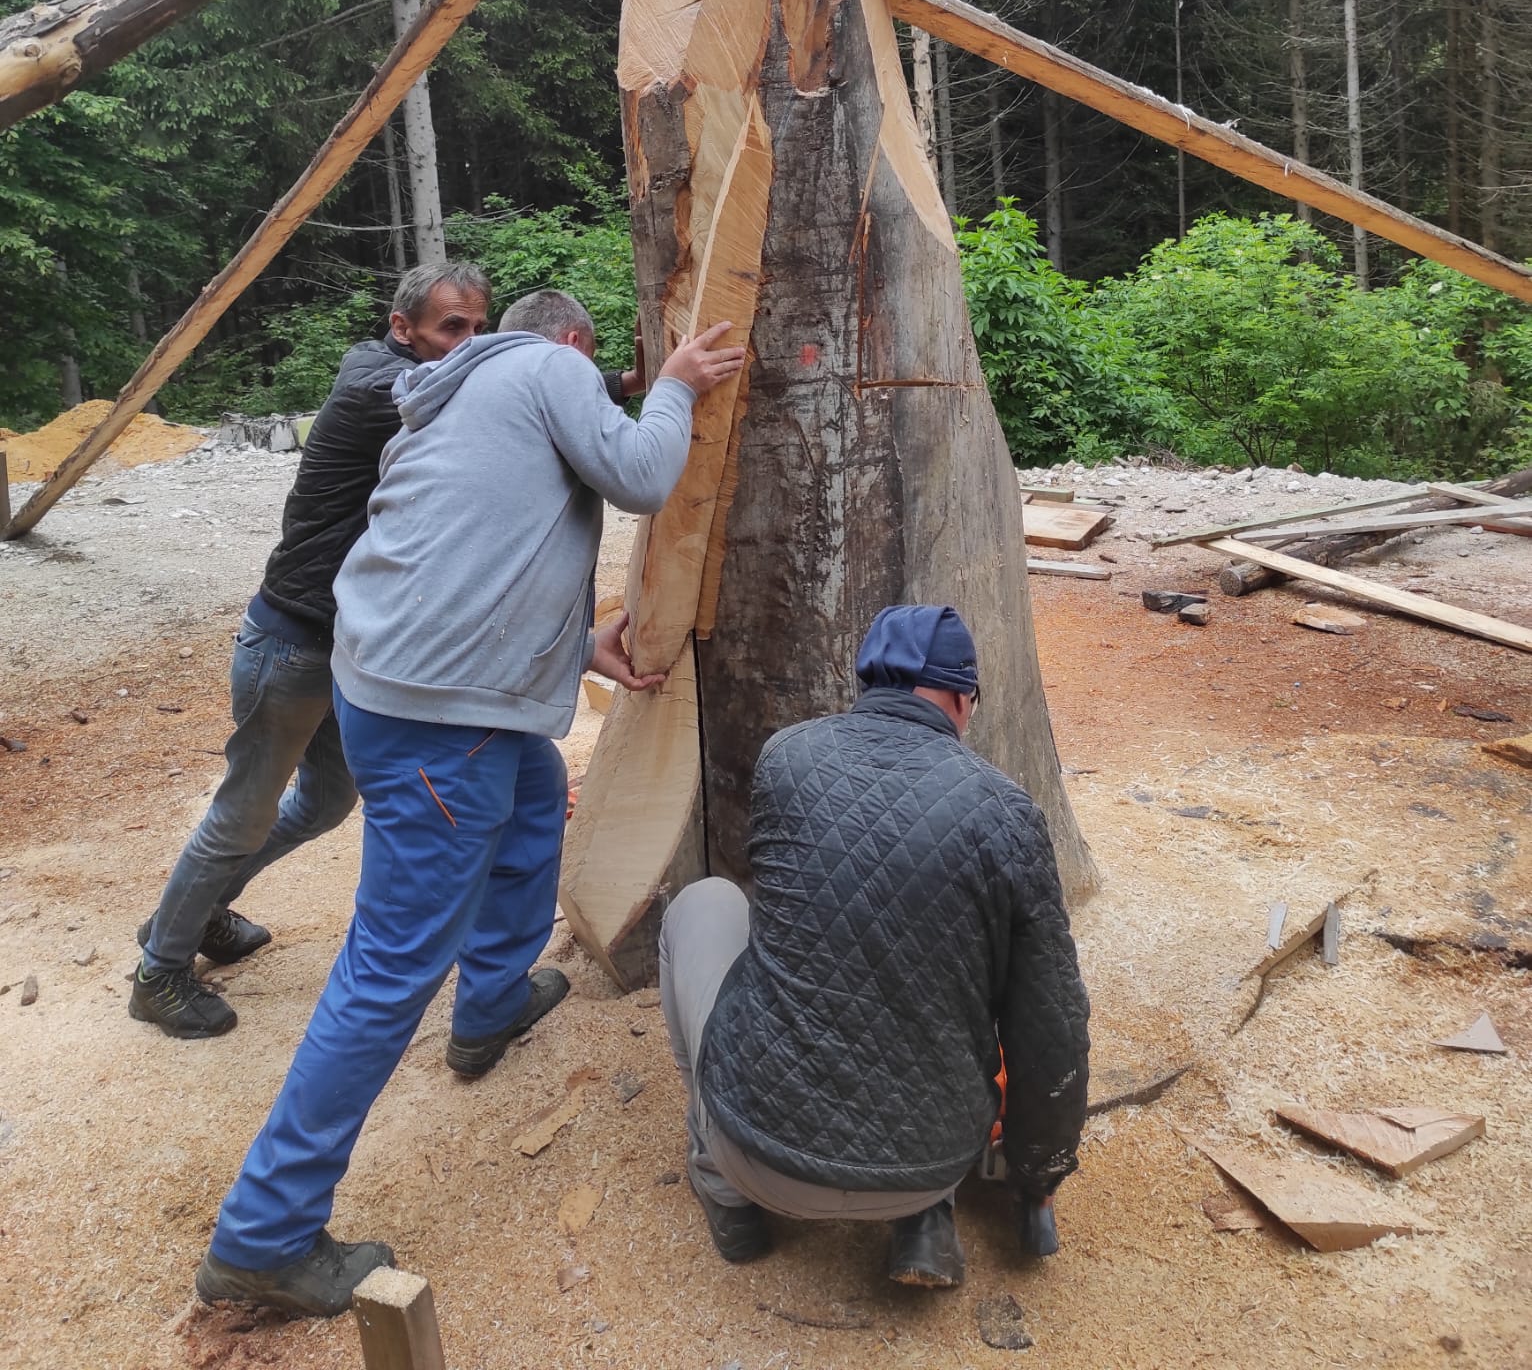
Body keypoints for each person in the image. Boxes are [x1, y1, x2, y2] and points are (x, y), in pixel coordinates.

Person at [194, 289, 746, 1318]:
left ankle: (488, 1005)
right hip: (439, 722)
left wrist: (573, 646)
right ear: (571, 343)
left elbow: (480, 546)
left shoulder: (455, 391)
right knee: (388, 967)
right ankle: (262, 1235)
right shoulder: (549, 365)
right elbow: (641, 475)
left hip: (391, 684)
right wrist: (669, 388)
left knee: (533, 790)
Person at [657, 603, 1091, 1290]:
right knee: (955, 975)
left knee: (708, 902)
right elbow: (1052, 1030)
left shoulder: (786, 757)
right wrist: (1037, 1175)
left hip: (759, 1154)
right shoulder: (1006, 812)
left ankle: (724, 1187)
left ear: (867, 685)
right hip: (927, 1170)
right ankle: (924, 1219)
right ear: (961, 699)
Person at [129, 261, 494, 1039]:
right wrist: (611, 387)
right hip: (291, 643)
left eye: (478, 328)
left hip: (338, 651)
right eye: (451, 327)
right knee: (241, 813)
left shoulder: (416, 377)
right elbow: (495, 399)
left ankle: (198, 910)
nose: (467, 342)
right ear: (403, 328)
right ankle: (159, 970)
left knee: (327, 801)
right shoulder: (382, 388)